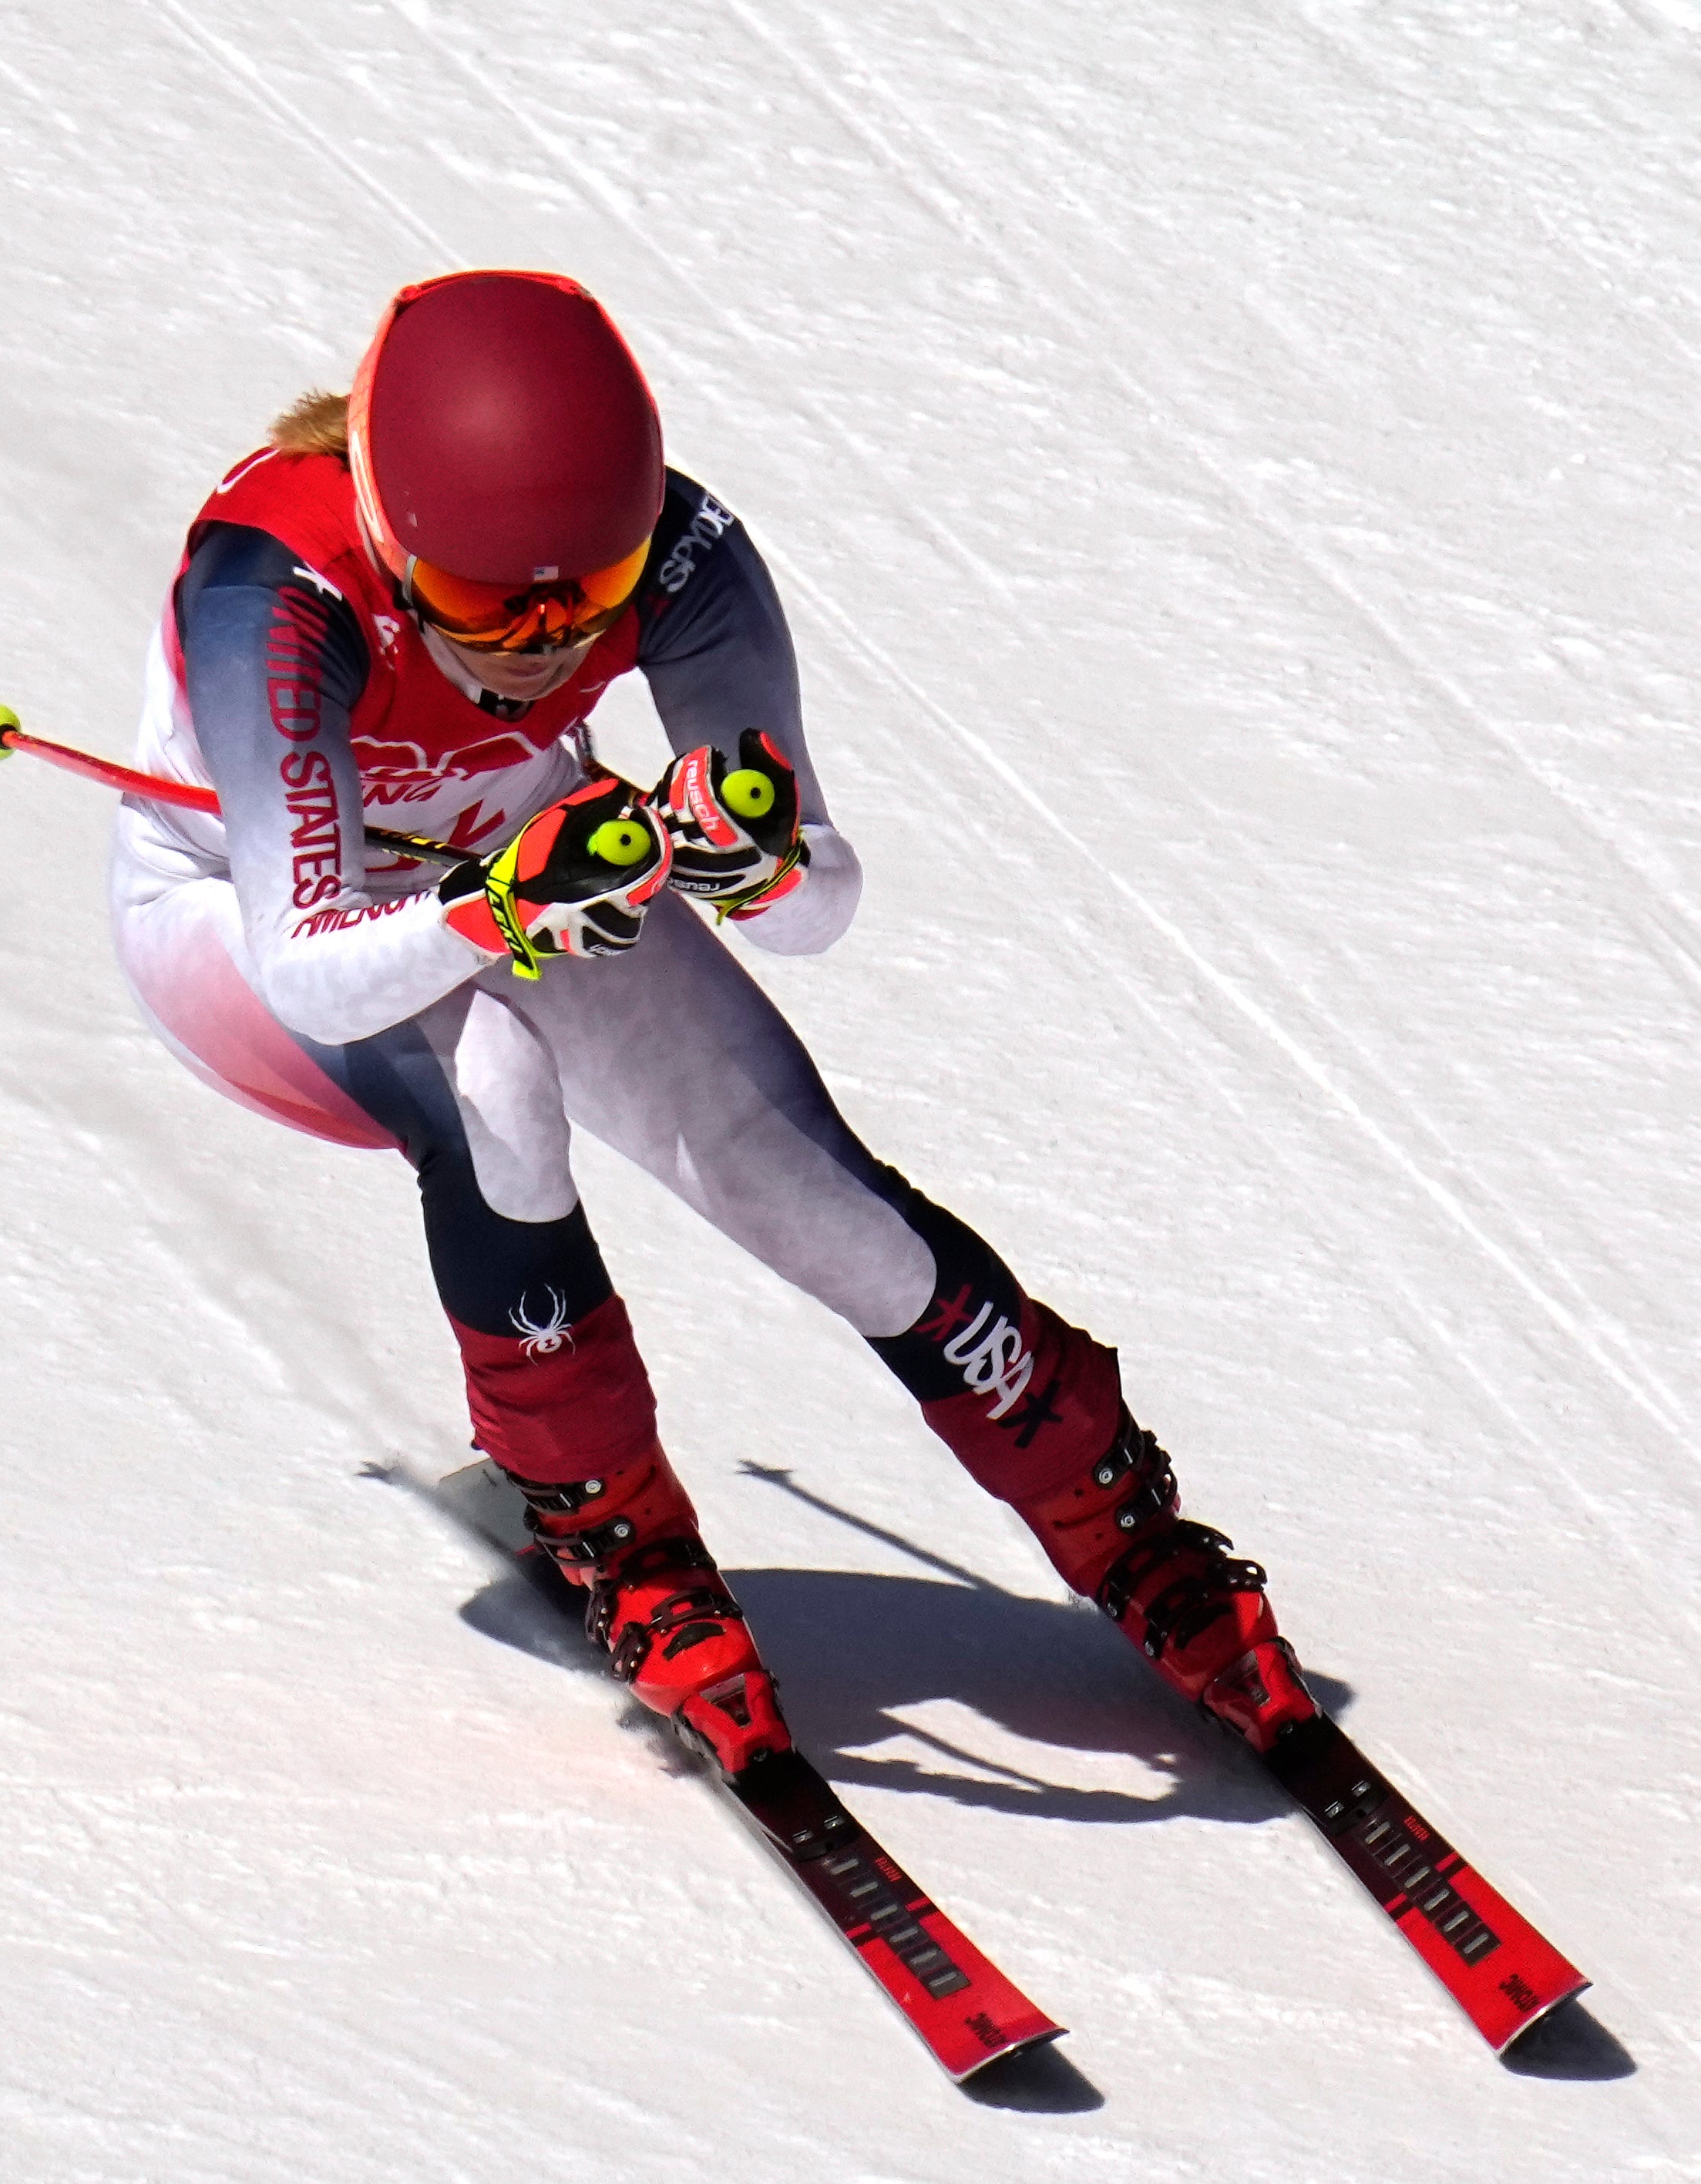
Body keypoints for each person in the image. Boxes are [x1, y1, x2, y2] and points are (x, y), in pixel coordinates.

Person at [109, 269, 1318, 1774]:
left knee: (795, 1182)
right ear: (393, 537)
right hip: (241, 914)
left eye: (587, 600)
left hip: (527, 853)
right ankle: (623, 1541)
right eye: (489, 606)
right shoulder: (271, 594)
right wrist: (495, 910)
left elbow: (820, 901)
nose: (545, 646)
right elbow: (311, 973)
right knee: (489, 1085)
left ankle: (1114, 1515)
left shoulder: (683, 557)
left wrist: (758, 860)